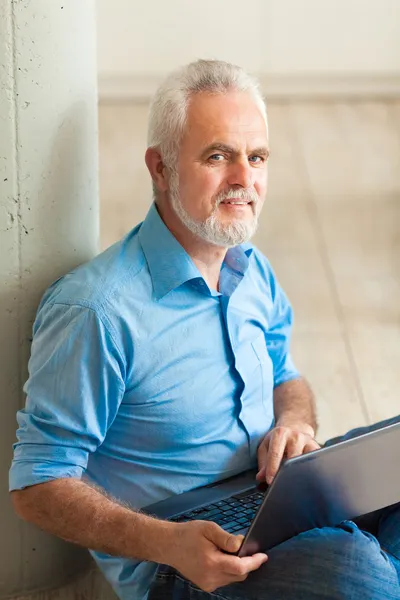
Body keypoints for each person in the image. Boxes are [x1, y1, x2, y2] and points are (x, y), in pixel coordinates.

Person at [9, 60, 400, 600]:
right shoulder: (97, 311)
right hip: (185, 559)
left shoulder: (251, 267)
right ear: (161, 167)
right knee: (356, 570)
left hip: (276, 498)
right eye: (218, 157)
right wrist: (167, 542)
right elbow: (37, 485)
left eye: (256, 157)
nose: (244, 179)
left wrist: (291, 422)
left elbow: (287, 375)